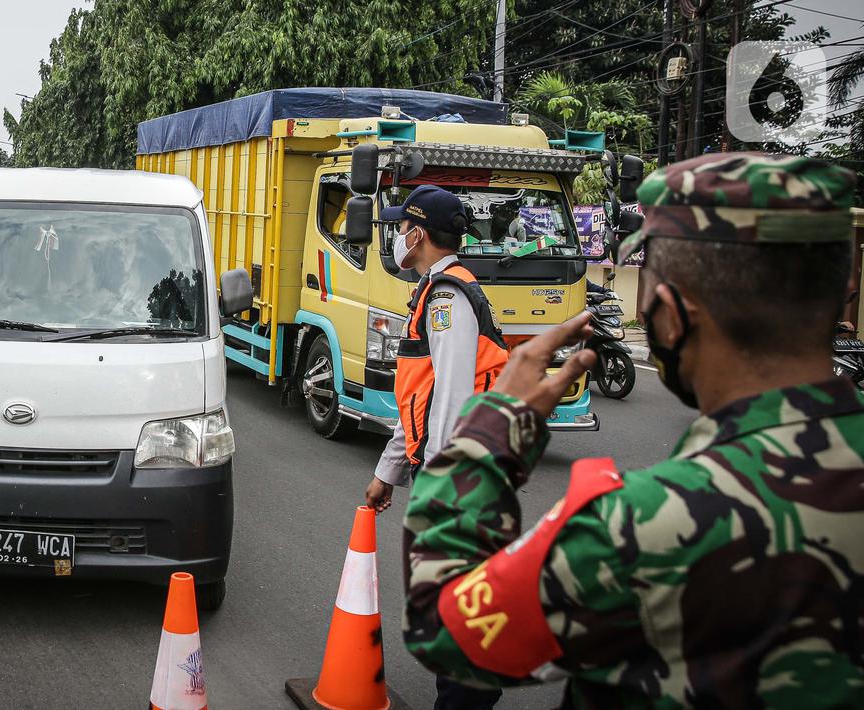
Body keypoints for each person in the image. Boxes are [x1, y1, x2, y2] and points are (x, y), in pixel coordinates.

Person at [401, 153, 863, 707]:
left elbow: (449, 630)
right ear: (845, 295)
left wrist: (490, 436)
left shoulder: (640, 527)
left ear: (668, 314)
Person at [362, 184, 509, 710]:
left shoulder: (447, 298)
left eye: (402, 227)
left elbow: (450, 400)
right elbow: (421, 399)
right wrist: (389, 470)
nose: (398, 236)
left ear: (418, 233)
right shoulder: (438, 292)